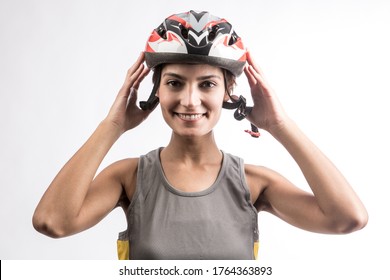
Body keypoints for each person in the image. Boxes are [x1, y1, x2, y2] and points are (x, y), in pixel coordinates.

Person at [32, 10, 368, 260]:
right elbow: (52, 223)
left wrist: (280, 125)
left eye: (207, 84)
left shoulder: (253, 183)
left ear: (228, 91)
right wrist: (112, 126)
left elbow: (347, 219)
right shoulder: (130, 178)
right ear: (156, 92)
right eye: (174, 82)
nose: (189, 100)